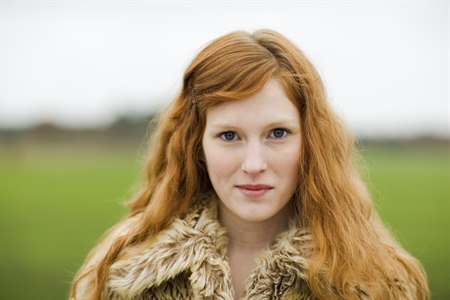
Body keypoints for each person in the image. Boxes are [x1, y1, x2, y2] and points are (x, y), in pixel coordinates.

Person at [70, 29, 429, 300]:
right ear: (197, 145)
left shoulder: (375, 280)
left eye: (277, 133)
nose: (254, 164)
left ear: (311, 142)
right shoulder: (121, 272)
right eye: (229, 136)